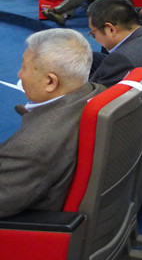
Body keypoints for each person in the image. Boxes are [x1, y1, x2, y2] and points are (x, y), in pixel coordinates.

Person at [0, 29, 103, 219]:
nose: (19, 74)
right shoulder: (98, 91)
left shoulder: (30, 148)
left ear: (50, 82)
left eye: (24, 67)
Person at [87, 0, 142, 86]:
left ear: (111, 29)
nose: (95, 38)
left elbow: (96, 94)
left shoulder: (120, 61)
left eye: (93, 34)